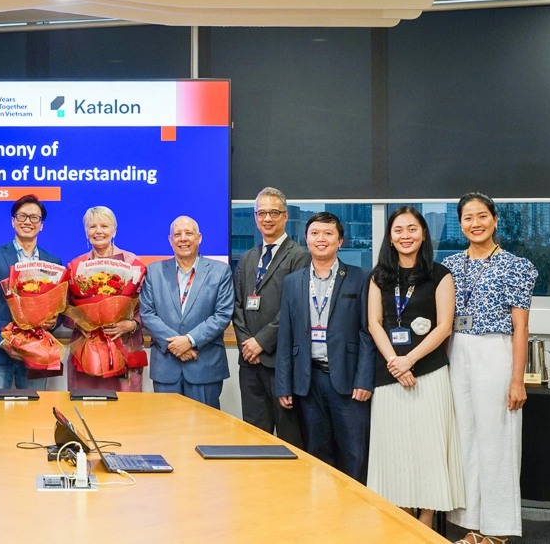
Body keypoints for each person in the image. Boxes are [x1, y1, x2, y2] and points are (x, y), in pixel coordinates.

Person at [443, 193, 537, 544]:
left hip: (494, 351)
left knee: (497, 441)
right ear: (461, 223)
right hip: (457, 350)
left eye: (482, 216)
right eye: (468, 218)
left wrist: (517, 380)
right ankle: (474, 527)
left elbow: (521, 328)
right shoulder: (450, 265)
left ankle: (498, 530)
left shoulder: (516, 266)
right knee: (465, 439)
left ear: (495, 220)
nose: (475, 224)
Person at [365, 207, 464, 529]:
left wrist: (410, 360)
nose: (405, 235)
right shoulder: (379, 275)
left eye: (411, 229)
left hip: (429, 374)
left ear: (423, 234)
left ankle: (427, 516)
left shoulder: (440, 274)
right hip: (389, 374)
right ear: (390, 238)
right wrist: (395, 361)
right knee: (393, 448)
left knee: (428, 447)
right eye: (398, 230)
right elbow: (374, 323)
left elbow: (444, 326)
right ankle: (401, 513)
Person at [276, 212, 374, 483]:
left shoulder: (359, 278)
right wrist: (284, 385)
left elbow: (367, 333)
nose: (321, 239)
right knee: (316, 453)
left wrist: (365, 379)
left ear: (340, 241)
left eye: (328, 234)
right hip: (308, 381)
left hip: (348, 381)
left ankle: (354, 514)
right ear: (306, 239)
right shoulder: (293, 281)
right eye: (315, 233)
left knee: (353, 454)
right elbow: (286, 335)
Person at [232, 187, 309, 446]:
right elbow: (238, 306)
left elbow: (294, 309)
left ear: (285, 216)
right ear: (255, 217)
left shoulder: (299, 257)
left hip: (282, 364)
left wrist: (261, 342)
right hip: (250, 365)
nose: (267, 218)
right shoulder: (247, 258)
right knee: (253, 438)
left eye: (274, 212)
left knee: (290, 439)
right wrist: (246, 344)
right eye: (261, 213)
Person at [139, 216, 234, 409]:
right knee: (168, 430)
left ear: (199, 238)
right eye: (177, 234)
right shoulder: (154, 271)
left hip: (204, 366)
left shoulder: (220, 271)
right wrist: (177, 344)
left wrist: (189, 340)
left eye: (189, 233)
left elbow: (223, 314)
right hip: (166, 368)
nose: (183, 238)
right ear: (170, 240)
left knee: (206, 429)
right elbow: (147, 313)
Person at [0, 195, 62, 391]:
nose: (27, 222)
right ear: (13, 221)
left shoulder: (53, 262)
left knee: (33, 416)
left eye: (34, 218)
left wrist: (54, 321)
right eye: (22, 216)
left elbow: (60, 307)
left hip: (37, 352)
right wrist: (3, 341)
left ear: (42, 225)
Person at [65, 206, 145, 392]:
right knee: (87, 406)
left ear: (114, 230)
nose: (98, 231)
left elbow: (147, 305)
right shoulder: (75, 266)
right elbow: (64, 308)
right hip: (86, 349)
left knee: (124, 411)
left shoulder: (133, 262)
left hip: (123, 345)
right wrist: (80, 323)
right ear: (86, 232)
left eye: (104, 226)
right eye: (92, 226)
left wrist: (132, 324)